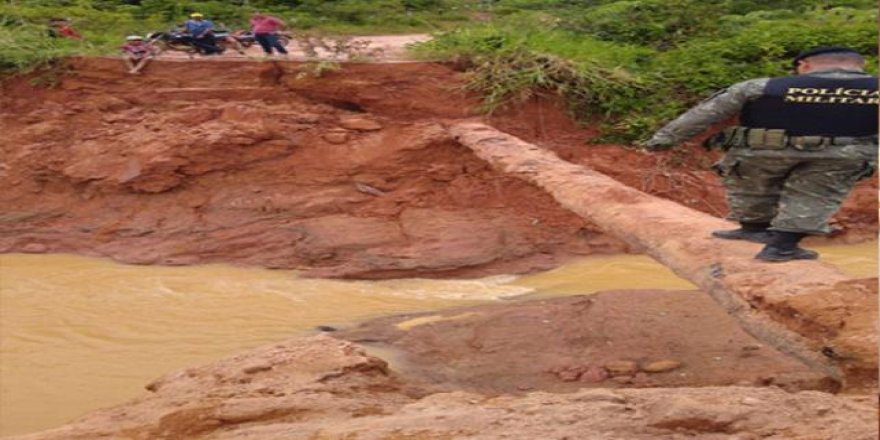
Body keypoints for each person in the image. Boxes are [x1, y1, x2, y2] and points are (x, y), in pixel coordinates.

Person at [644, 46, 878, 262]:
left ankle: (755, 230)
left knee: (753, 186)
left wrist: (661, 142)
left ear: (804, 65)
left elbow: (704, 114)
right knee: (815, 196)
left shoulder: (763, 86)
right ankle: (783, 246)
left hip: (764, 150)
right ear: (861, 65)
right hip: (843, 154)